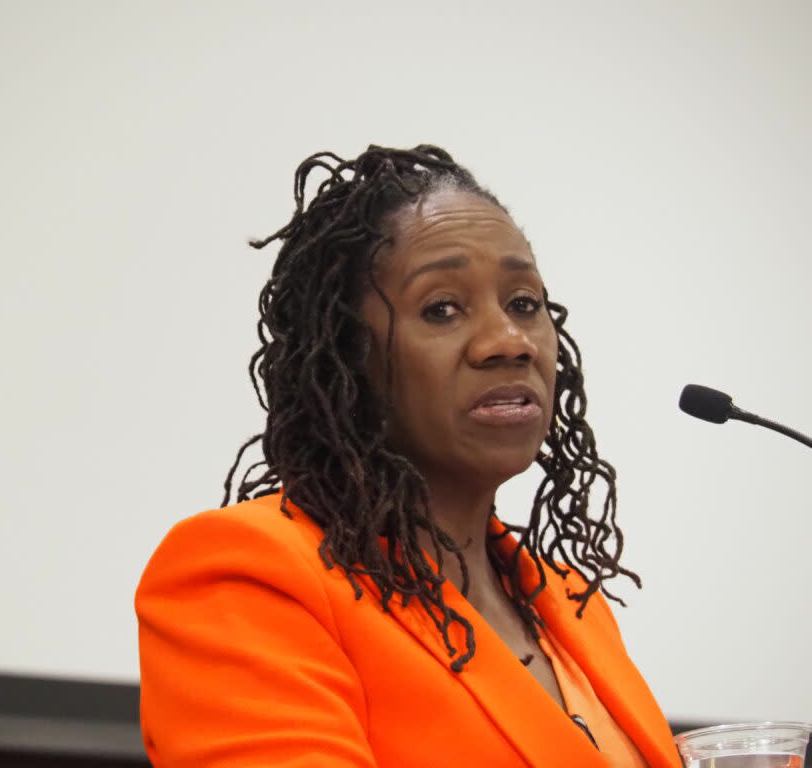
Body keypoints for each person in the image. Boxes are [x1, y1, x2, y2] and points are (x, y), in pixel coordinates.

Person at [135, 145, 679, 767]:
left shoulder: (570, 605)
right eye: (441, 309)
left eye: (524, 303)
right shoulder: (252, 578)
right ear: (347, 359)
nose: (509, 341)